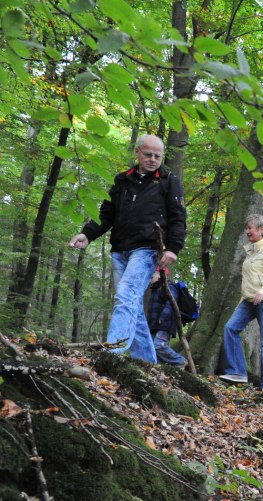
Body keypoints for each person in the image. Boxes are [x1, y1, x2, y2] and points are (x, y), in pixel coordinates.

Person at [69, 134, 186, 363]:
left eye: (157, 156)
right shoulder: (122, 180)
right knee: (132, 305)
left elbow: (178, 217)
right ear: (138, 153)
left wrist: (172, 248)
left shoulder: (168, 181)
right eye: (148, 154)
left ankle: (111, 356)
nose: (153, 159)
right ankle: (147, 363)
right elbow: (106, 214)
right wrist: (87, 234)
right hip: (120, 249)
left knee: (125, 295)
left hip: (147, 249)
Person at [218, 214, 263, 390]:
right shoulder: (251, 251)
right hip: (248, 301)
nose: (247, 232)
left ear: (261, 229)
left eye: (250, 228)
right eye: (246, 228)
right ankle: (237, 372)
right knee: (230, 328)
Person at [146, 269, 187, 368]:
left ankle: (180, 361)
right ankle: (160, 369)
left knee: (159, 345)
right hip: (154, 325)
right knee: (152, 348)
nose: (150, 278)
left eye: (152, 275)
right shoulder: (155, 290)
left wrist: (163, 318)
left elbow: (171, 304)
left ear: (160, 275)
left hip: (165, 324)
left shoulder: (169, 287)